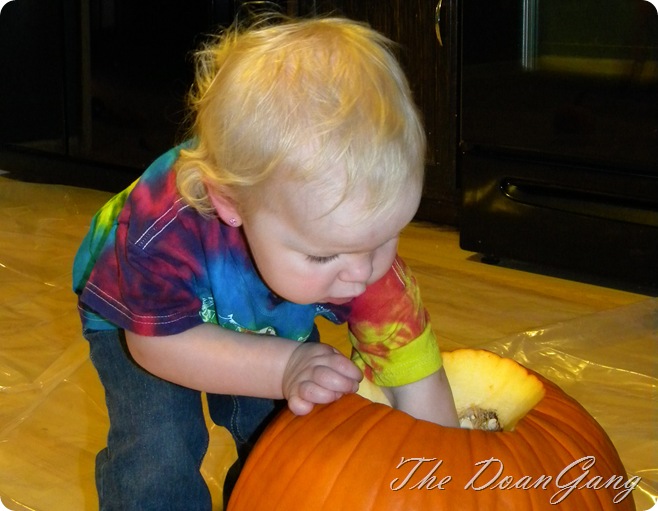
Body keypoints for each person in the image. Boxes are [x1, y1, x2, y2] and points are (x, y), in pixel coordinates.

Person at [72, 15, 458, 511]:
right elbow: (156, 347)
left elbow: (417, 384)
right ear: (229, 203)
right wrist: (286, 366)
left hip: (261, 311)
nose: (362, 274)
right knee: (158, 451)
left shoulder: (361, 259)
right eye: (324, 254)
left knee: (287, 438)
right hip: (146, 322)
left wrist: (448, 484)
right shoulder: (159, 230)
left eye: (384, 238)